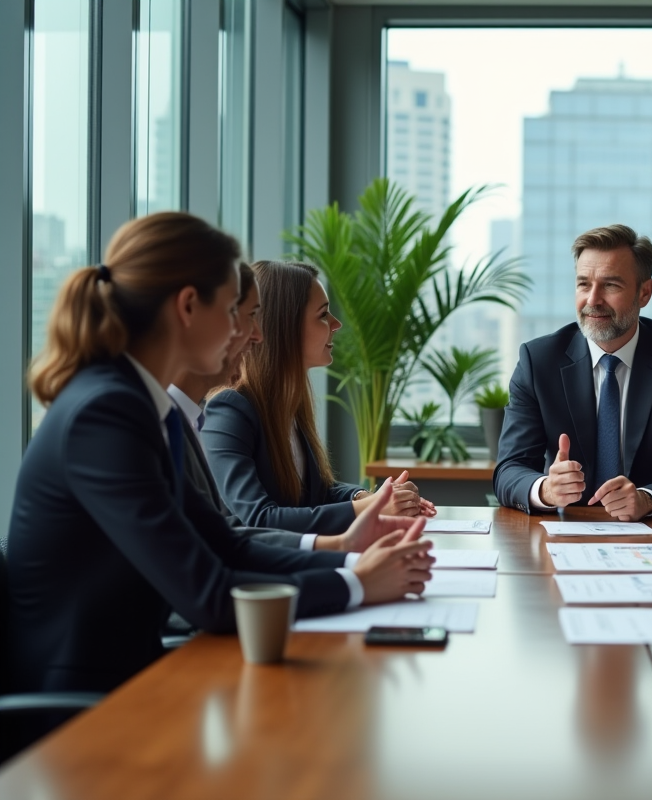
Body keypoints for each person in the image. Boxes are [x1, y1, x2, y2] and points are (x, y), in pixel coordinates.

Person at [5, 212, 434, 695]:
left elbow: (226, 545)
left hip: (134, 678)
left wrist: (353, 563)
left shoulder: (143, 407)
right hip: (81, 704)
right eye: (234, 310)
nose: (248, 334)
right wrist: (358, 584)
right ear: (188, 306)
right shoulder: (105, 414)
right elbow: (207, 594)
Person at [171, 264, 425, 549]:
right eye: (323, 314)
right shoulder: (230, 409)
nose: (336, 324)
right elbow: (259, 518)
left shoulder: (290, 405)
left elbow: (318, 492)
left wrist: (368, 497)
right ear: (285, 326)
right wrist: (369, 508)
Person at [493, 224, 652, 520]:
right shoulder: (538, 361)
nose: (592, 300)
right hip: (565, 531)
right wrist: (546, 489)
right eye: (583, 284)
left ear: (644, 292)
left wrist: (646, 499)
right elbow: (509, 470)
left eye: (610, 285)